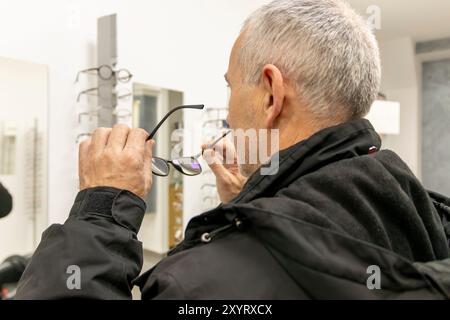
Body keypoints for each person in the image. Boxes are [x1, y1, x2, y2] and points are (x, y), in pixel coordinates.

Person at [16, 0, 450, 299]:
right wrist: (261, 206)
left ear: (270, 95)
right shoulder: (420, 213)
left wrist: (99, 214)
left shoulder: (197, 285)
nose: (227, 114)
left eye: (230, 87)